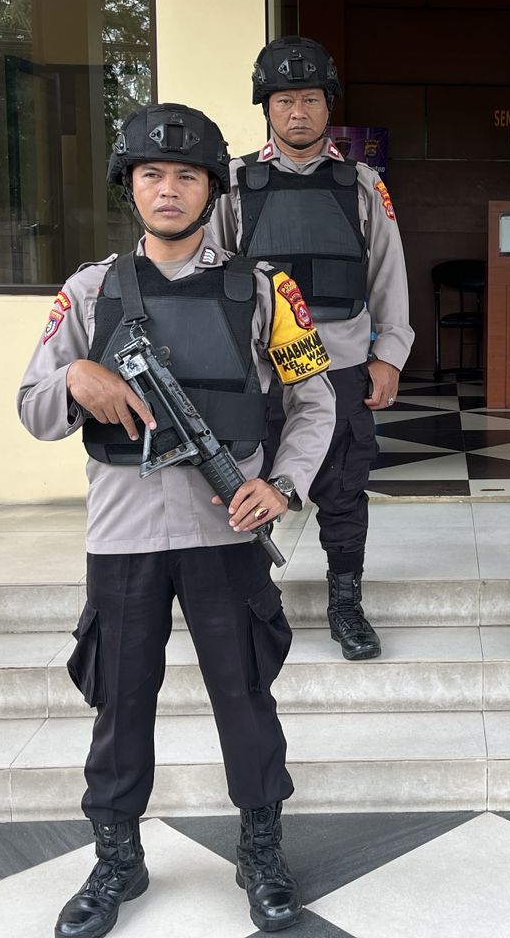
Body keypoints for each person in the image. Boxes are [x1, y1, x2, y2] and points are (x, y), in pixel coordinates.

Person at [18, 103, 336, 936]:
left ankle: (260, 850)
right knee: (120, 702)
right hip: (123, 535)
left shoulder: (267, 290)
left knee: (245, 695)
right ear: (129, 187)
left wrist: (285, 486)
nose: (168, 189)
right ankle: (117, 857)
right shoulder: (89, 291)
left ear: (211, 189)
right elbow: (33, 408)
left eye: (186, 175)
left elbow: (314, 402)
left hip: (225, 533)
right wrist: (75, 379)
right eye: (151, 175)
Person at [209, 36, 413, 661]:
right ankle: (252, 606)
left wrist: (389, 355)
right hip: (260, 373)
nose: (297, 112)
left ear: (329, 106)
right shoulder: (234, 184)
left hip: (341, 366)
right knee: (248, 487)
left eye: (310, 100)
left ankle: (345, 603)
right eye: (284, 100)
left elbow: (388, 273)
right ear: (266, 108)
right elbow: (212, 278)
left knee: (343, 492)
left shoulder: (363, 184)